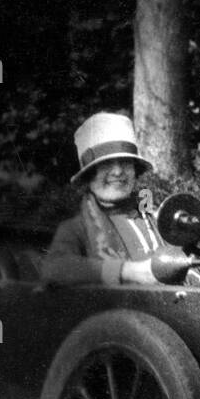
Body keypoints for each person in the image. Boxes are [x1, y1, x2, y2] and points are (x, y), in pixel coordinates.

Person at [41, 112, 165, 286]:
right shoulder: (76, 228)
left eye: (125, 162)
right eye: (106, 164)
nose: (118, 172)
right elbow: (53, 268)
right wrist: (126, 271)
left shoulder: (154, 217)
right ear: (89, 176)